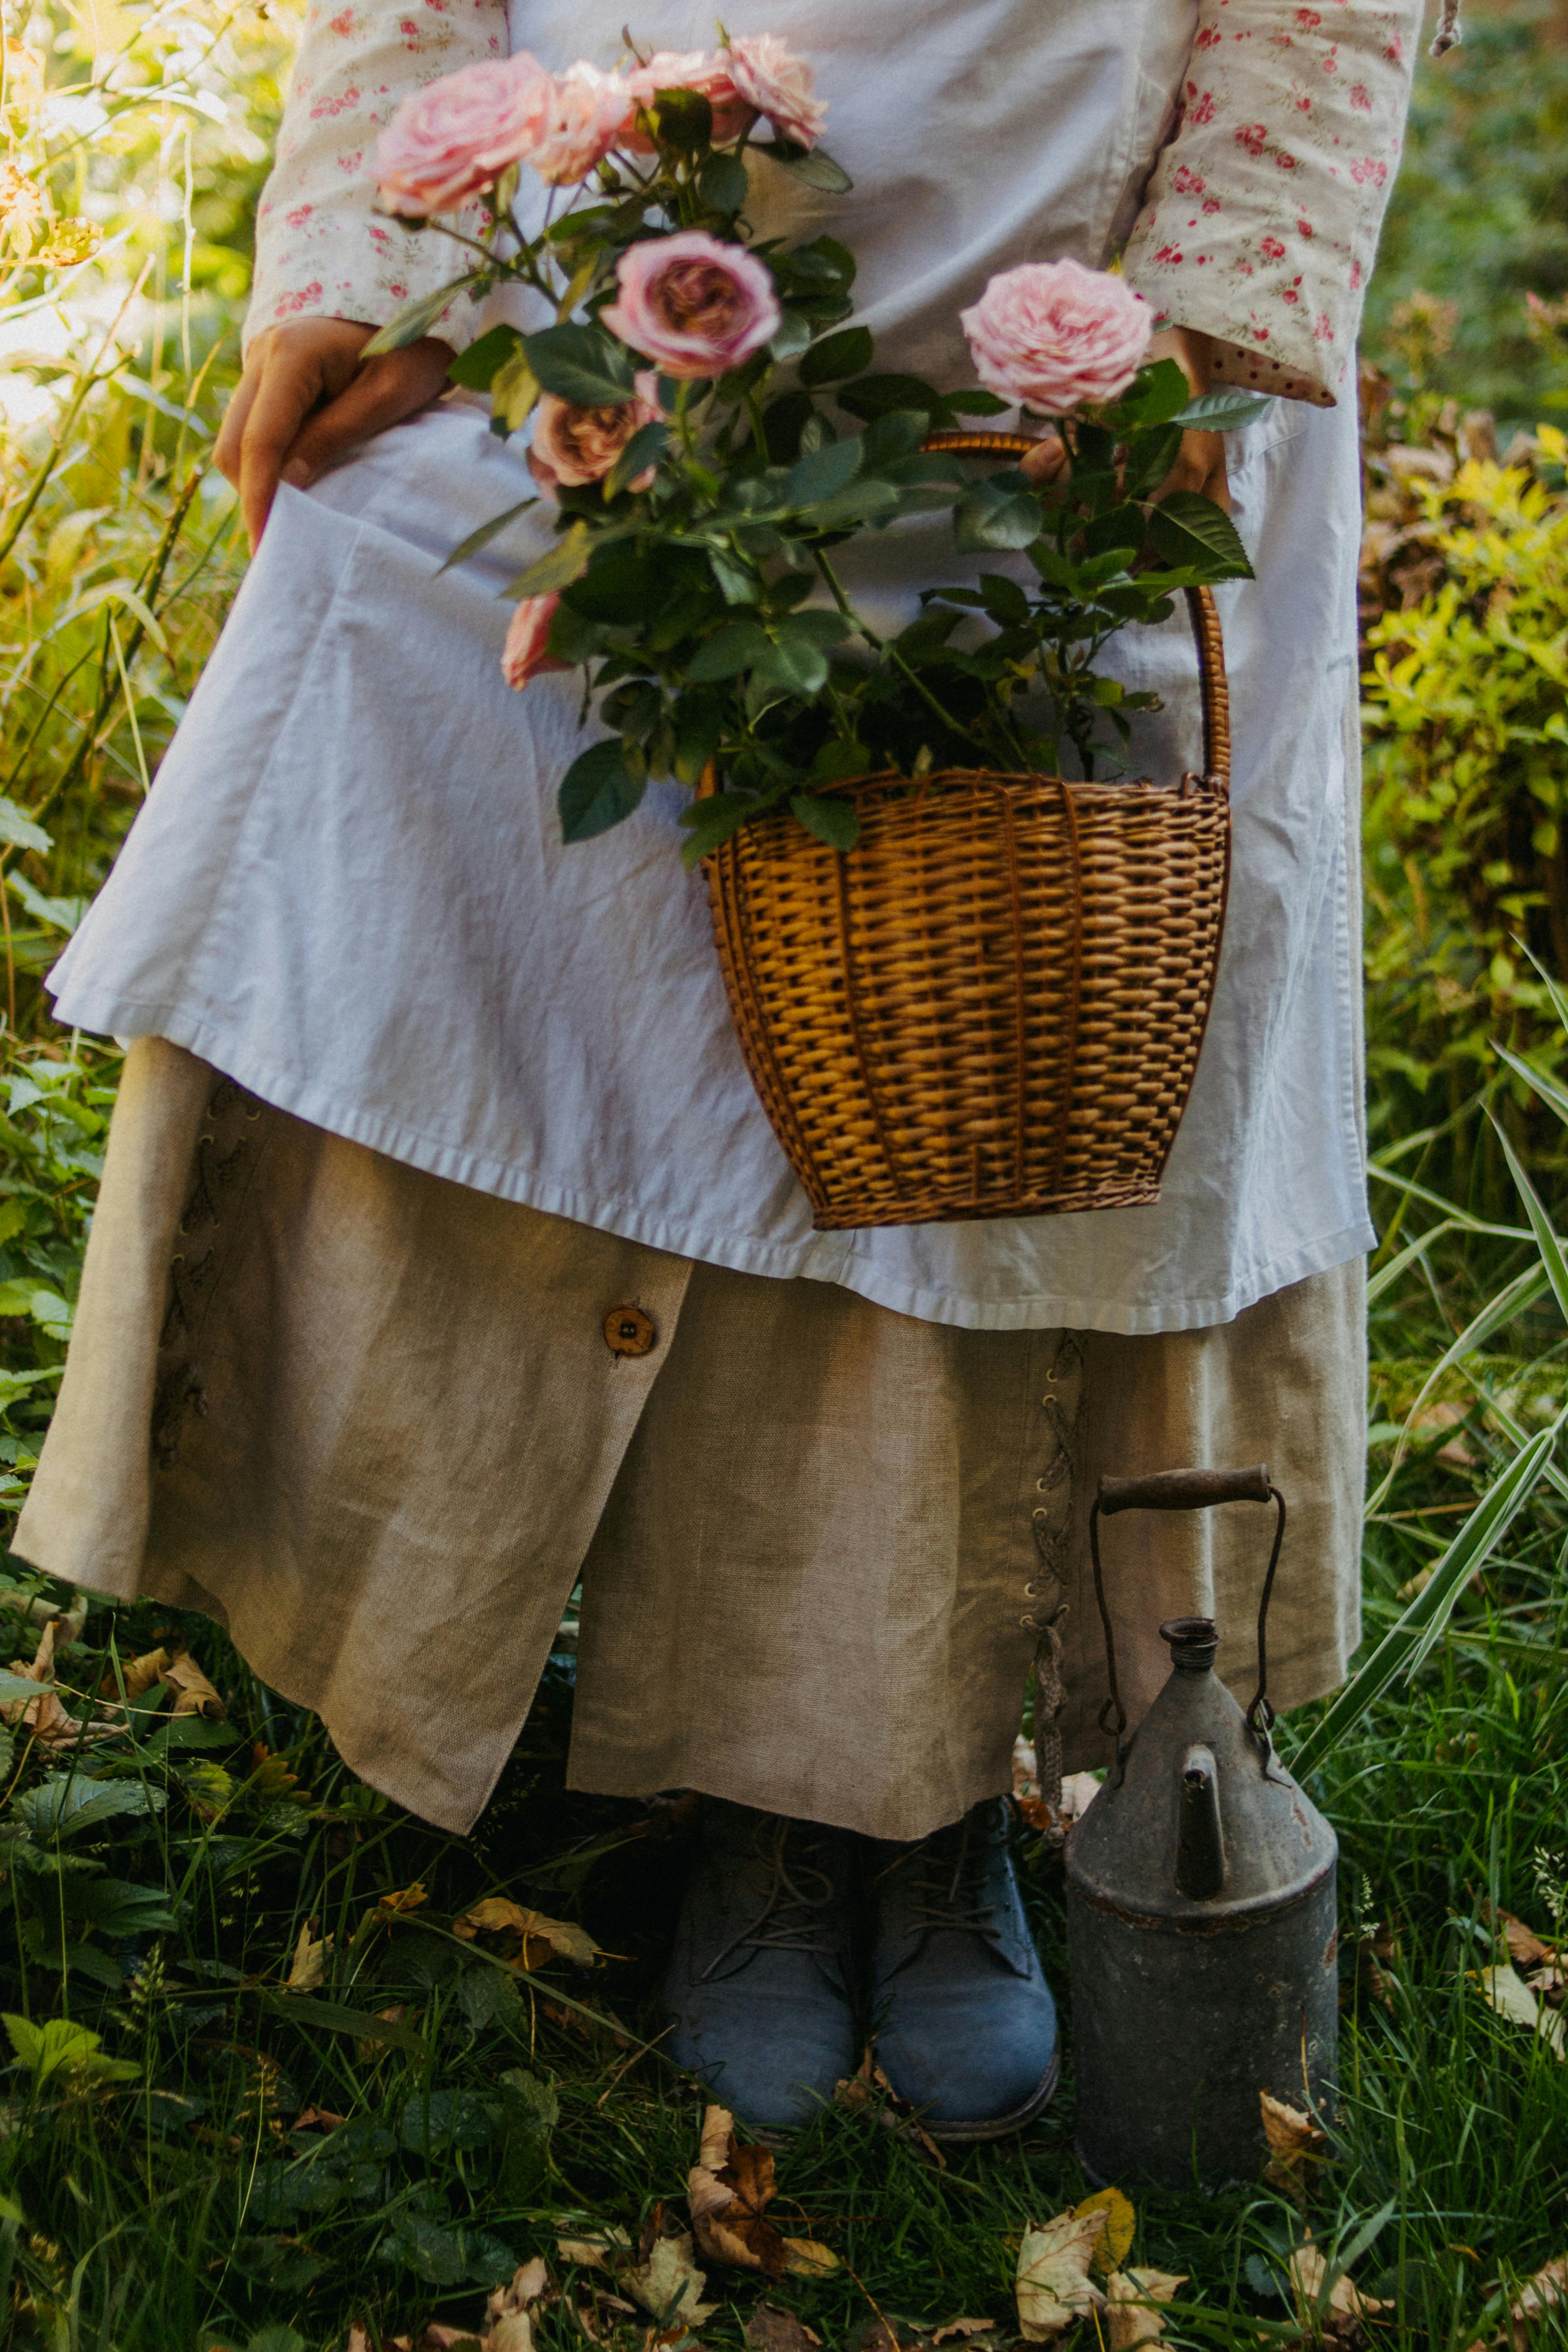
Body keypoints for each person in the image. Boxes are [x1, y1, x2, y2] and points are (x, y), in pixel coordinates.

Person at [15, 0, 1428, 2137]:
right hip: (636, 278)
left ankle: (921, 1799)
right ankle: (729, 1789)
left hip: (1096, 306)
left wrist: (1220, 298)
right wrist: (372, 253)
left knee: (1005, 1041)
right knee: (557, 850)